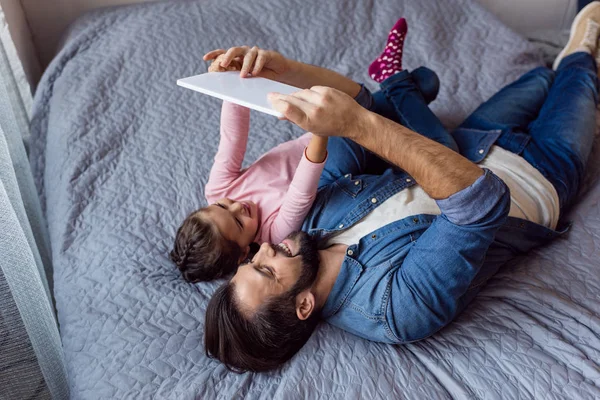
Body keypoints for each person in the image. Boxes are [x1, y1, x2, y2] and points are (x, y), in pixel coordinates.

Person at [204, 3, 600, 373]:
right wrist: (357, 124)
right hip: (540, 174)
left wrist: (285, 71)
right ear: (304, 305)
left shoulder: (315, 223)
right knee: (579, 70)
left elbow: (362, 104)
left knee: (542, 76)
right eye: (266, 269)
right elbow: (481, 203)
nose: (266, 247)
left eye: (250, 261)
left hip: (472, 140)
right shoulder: (394, 308)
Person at [170, 20, 428, 282]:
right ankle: (390, 83)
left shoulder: (217, 189)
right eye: (238, 223)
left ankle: (393, 83)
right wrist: (321, 130)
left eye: (222, 206)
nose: (238, 206)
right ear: (243, 254)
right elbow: (300, 194)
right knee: (383, 110)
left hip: (316, 136)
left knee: (426, 83)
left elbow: (232, 139)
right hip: (325, 156)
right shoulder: (273, 234)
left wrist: (233, 83)